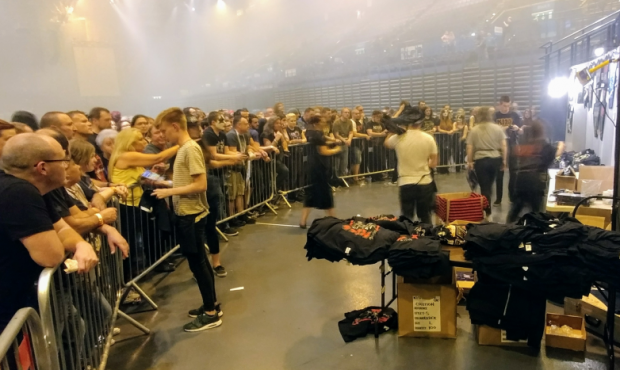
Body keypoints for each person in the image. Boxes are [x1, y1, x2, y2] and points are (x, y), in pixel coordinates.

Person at [0, 133, 100, 332]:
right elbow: (51, 256)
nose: (66, 165)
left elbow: (62, 228)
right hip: (12, 307)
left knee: (75, 331)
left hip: (26, 298)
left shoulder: (33, 188)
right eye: (63, 160)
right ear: (42, 167)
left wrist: (81, 244)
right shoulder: (19, 193)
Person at [152, 108, 222, 332]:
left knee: (198, 264)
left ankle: (211, 314)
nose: (163, 136)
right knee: (199, 263)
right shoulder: (185, 149)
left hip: (191, 215)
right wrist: (166, 184)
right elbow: (187, 182)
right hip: (188, 213)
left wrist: (168, 192)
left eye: (164, 131)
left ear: (175, 126)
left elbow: (200, 185)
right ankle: (211, 306)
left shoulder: (190, 149)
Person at [108, 128, 179, 276]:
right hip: (125, 205)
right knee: (130, 242)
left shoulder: (134, 160)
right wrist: (181, 144)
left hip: (135, 203)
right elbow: (157, 157)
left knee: (140, 237)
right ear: (130, 142)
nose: (144, 142)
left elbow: (145, 176)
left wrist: (157, 174)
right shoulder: (126, 156)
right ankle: (127, 277)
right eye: (140, 139)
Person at [385, 111, 437, 223]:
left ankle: (408, 239)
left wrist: (391, 131)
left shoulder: (398, 137)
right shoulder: (428, 138)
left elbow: (386, 144)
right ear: (421, 123)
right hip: (425, 181)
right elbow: (434, 163)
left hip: (405, 182)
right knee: (425, 216)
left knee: (407, 217)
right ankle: (428, 238)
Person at [506, 120, 562, 223]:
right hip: (535, 180)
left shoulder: (522, 143)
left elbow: (513, 159)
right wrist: (561, 147)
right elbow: (552, 156)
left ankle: (507, 228)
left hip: (520, 179)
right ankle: (534, 231)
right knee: (536, 210)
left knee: (516, 207)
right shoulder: (543, 144)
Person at [201, 112, 247, 236]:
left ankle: (224, 223)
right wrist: (232, 159)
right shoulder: (208, 134)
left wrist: (238, 155)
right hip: (211, 171)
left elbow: (226, 151)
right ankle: (222, 225)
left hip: (221, 170)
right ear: (213, 122)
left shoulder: (222, 134)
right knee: (219, 198)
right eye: (220, 120)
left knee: (222, 197)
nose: (225, 122)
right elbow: (214, 155)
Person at [299, 115, 343, 228]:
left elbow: (323, 140)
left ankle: (303, 221)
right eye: (322, 121)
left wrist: (333, 140)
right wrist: (337, 149)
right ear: (316, 123)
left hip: (311, 166)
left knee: (311, 194)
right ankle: (334, 219)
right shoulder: (318, 134)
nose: (325, 122)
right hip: (319, 167)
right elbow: (323, 151)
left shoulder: (310, 132)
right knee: (326, 193)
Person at [467, 107, 507, 220]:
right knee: (490, 184)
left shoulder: (474, 130)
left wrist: (470, 161)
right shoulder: (497, 128)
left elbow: (470, 147)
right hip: (495, 158)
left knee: (484, 186)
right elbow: (504, 145)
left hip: (480, 159)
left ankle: (487, 212)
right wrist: (504, 160)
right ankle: (488, 204)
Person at [494, 95, 522, 206]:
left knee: (514, 172)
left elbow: (520, 130)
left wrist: (517, 128)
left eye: (508, 106)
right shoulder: (495, 116)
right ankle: (498, 198)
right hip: (499, 146)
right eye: (504, 106)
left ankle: (512, 196)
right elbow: (494, 130)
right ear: (500, 104)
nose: (506, 108)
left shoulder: (514, 115)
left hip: (512, 145)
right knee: (499, 173)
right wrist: (504, 128)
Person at [69, 111, 108, 184]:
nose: (90, 124)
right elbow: (82, 179)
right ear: (73, 126)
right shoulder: (72, 150)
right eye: (84, 121)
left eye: (88, 121)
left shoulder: (92, 142)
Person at [261, 116, 290, 194]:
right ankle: (271, 189)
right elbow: (269, 147)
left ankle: (274, 189)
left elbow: (285, 142)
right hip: (269, 159)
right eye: (277, 123)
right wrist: (276, 139)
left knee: (284, 172)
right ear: (271, 124)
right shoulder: (266, 134)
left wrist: (283, 132)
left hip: (278, 158)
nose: (279, 125)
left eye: (280, 123)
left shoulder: (279, 133)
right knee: (284, 171)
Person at [332, 108, 355, 180]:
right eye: (345, 112)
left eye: (348, 112)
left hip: (345, 145)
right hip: (338, 144)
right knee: (337, 164)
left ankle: (343, 179)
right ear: (341, 113)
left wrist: (349, 139)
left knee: (344, 163)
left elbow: (351, 132)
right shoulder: (336, 122)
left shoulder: (349, 122)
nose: (347, 114)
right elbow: (336, 134)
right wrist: (344, 140)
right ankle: (336, 179)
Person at [366, 110, 388, 181]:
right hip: (372, 145)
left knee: (380, 160)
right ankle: (374, 175)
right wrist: (380, 134)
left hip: (380, 145)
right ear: (373, 116)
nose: (379, 119)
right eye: (378, 117)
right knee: (372, 160)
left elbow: (385, 131)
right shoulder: (369, 124)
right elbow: (370, 133)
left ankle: (380, 174)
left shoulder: (382, 124)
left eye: (380, 117)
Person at [351, 108, 369, 185]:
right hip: (354, 144)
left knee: (358, 161)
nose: (358, 115)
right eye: (356, 113)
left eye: (359, 113)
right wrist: (365, 135)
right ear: (352, 114)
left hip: (359, 144)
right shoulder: (352, 122)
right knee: (357, 160)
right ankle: (355, 178)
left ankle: (356, 176)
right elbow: (354, 133)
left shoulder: (358, 122)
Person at [436, 108, 454, 174]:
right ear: (442, 113)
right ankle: (441, 168)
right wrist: (447, 132)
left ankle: (446, 167)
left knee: (447, 153)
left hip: (448, 138)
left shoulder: (450, 120)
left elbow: (452, 127)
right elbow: (439, 129)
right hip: (441, 137)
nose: (445, 114)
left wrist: (451, 131)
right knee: (442, 153)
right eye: (444, 112)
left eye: (446, 112)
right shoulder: (439, 120)